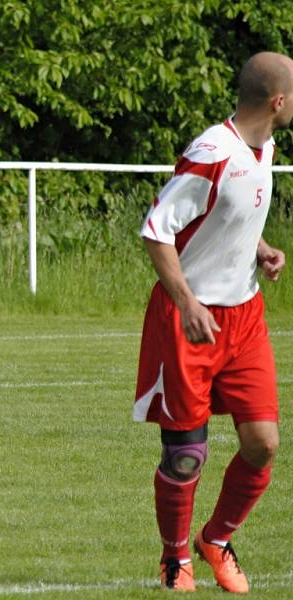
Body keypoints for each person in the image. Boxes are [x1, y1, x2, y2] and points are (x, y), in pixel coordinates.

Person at [134, 51, 291, 593]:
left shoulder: (265, 144)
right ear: (278, 101)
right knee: (185, 457)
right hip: (191, 320)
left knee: (263, 444)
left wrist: (261, 249)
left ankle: (216, 539)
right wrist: (187, 302)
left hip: (245, 319)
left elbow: (225, 218)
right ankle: (175, 557)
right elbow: (157, 230)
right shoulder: (210, 152)